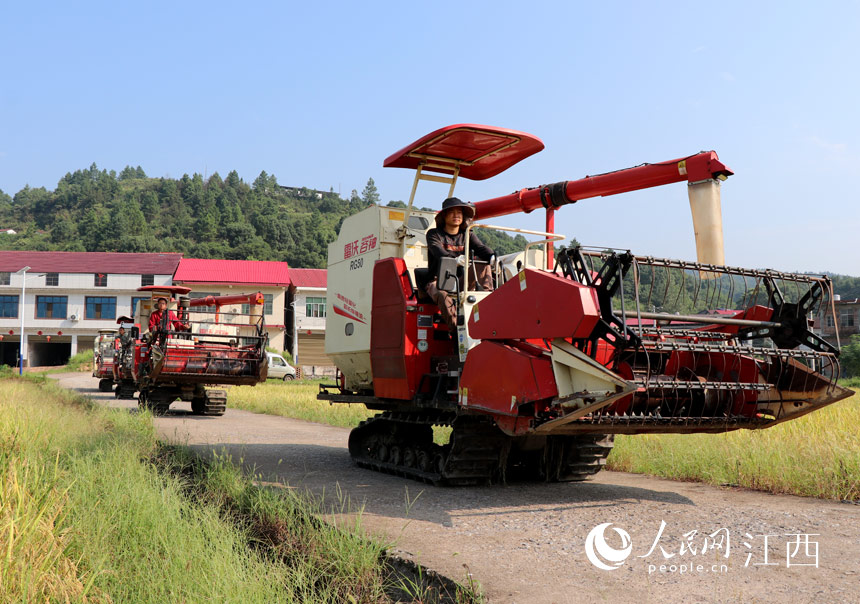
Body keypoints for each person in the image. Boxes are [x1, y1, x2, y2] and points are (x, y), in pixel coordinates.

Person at [424, 197, 494, 331]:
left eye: (459, 212)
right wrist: (453, 260)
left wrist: (492, 256)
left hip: (462, 280)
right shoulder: (434, 234)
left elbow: (480, 248)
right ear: (444, 216)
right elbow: (437, 251)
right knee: (440, 293)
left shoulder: (467, 234)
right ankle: (457, 330)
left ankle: (487, 304)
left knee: (482, 262)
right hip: (439, 280)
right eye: (452, 212)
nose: (456, 215)